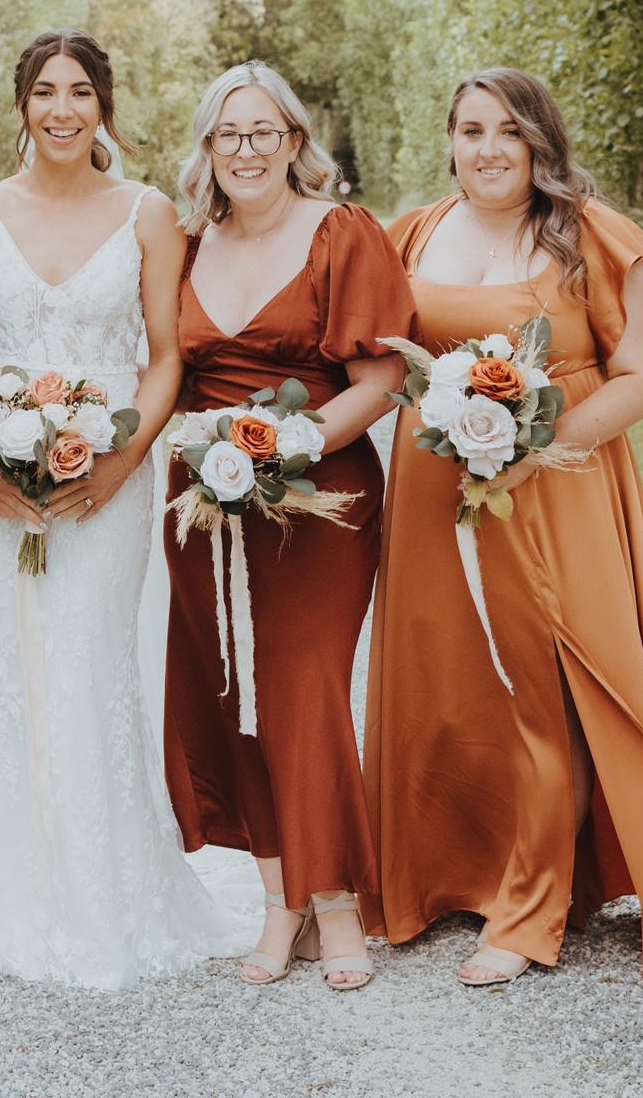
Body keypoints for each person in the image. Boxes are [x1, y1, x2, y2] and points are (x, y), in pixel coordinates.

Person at [365, 67, 643, 994]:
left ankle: (533, 908)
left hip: (554, 486)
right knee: (444, 676)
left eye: (508, 132)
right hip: (432, 486)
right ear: (449, 140)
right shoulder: (411, 231)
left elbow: (642, 373)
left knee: (553, 689)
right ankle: (452, 871)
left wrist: (536, 448)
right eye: (471, 129)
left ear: (539, 142)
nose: (487, 149)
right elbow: (368, 355)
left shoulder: (591, 238)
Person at [0, 30, 248, 989]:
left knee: (89, 657)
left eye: (79, 91)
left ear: (103, 105)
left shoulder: (149, 214)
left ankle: (111, 881)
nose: (61, 109)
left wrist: (123, 458)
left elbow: (167, 355)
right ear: (22, 104)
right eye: (43, 91)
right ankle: (18, 876)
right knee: (12, 665)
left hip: (109, 470)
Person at [161, 62, 415, 991]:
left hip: (323, 496)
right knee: (232, 693)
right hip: (203, 504)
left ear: (297, 142)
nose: (247, 150)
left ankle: (339, 900)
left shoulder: (340, 233)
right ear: (207, 148)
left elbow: (382, 379)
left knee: (301, 683)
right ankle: (281, 903)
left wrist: (292, 446)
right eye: (229, 134)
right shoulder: (187, 243)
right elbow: (166, 375)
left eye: (265, 132)